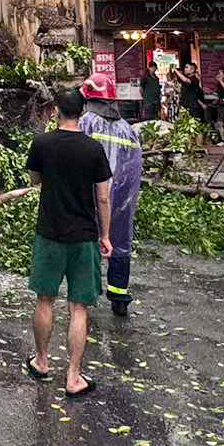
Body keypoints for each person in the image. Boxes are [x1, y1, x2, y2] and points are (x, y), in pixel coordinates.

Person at [4, 88, 110, 397]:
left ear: (56, 111)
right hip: (84, 236)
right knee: (79, 307)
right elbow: (102, 196)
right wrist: (105, 235)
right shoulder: (93, 149)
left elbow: (36, 181)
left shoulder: (42, 143)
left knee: (45, 299)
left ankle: (41, 361)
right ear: (82, 112)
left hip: (49, 232)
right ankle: (74, 377)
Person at [80, 76, 144, 318]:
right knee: (119, 243)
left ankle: (88, 293)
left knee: (91, 241)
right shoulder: (128, 130)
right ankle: (119, 296)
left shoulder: (85, 123)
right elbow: (136, 169)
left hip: (92, 195)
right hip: (122, 199)